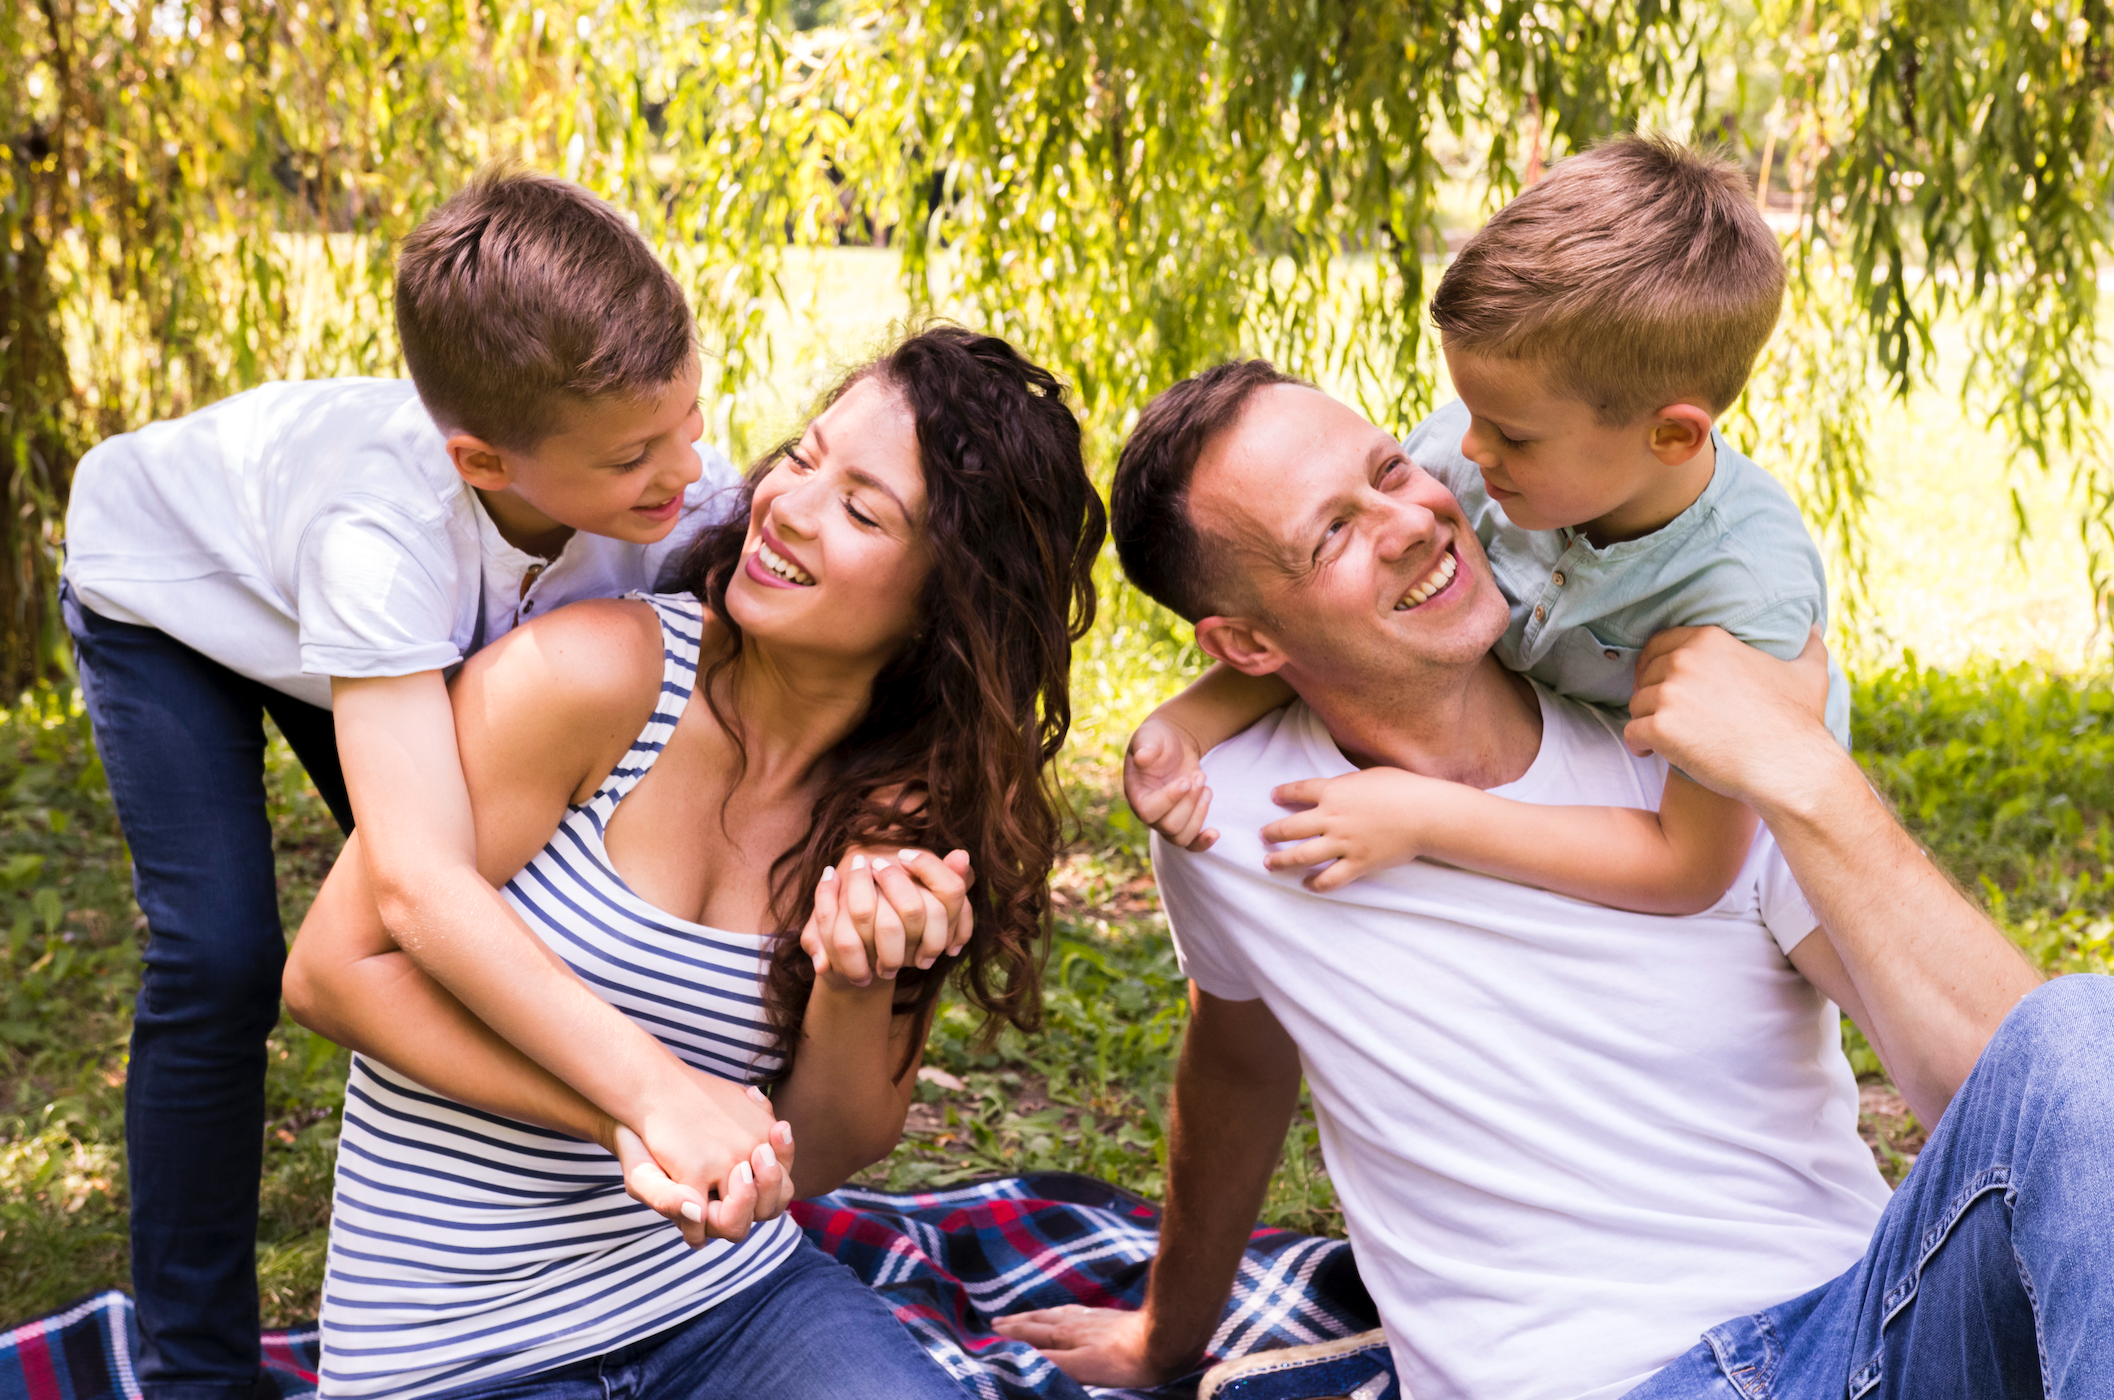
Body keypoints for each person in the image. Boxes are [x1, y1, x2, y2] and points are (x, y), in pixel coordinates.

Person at [993, 370, 2114, 1400]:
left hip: (1863, 1337)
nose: (1408, 522)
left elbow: (2024, 1097)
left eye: (1389, 470)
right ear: (1240, 640)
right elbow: (1235, 1059)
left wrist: (1803, 770)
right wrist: (1163, 1334)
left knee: (2078, 1026)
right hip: (1602, 1379)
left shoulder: (1691, 758)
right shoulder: (1224, 819)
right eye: (1331, 531)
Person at [57, 170, 803, 1398]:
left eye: (690, 420)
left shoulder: (660, 483)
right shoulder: (379, 532)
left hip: (391, 634)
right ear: (483, 458)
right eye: (636, 455)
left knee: (479, 926)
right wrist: (651, 1088)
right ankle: (195, 1370)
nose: (687, 472)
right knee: (225, 957)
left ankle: (496, 1230)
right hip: (177, 603)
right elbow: (415, 884)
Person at [280, 325, 1107, 1399]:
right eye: (804, 458)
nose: (788, 507)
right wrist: (643, 1106)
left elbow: (815, 1151)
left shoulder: (902, 809)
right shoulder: (589, 679)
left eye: (861, 510)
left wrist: (856, 976)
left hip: (728, 1304)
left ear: (946, 604)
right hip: (458, 1344)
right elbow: (331, 971)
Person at [1125, 136, 1842, 916]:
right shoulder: (1470, 458)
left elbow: (1688, 867)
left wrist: (1424, 817)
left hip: (1753, 894)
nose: (1466, 449)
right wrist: (1185, 724)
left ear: (1672, 436)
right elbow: (1317, 619)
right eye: (1469, 412)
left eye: (1512, 434)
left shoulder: (1745, 592)